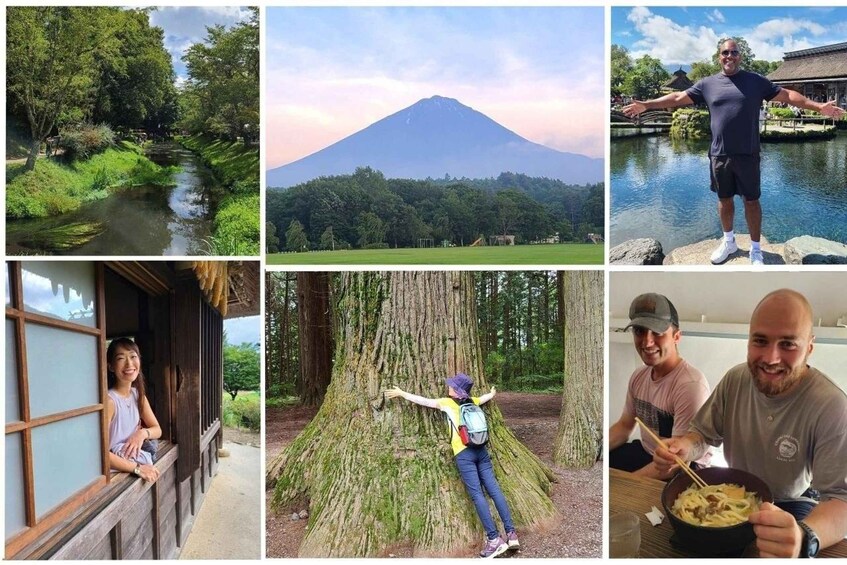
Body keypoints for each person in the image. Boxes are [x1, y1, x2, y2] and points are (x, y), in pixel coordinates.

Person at [654, 289, 847, 558]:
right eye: (760, 341)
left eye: (788, 344)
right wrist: (684, 447)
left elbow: (841, 499)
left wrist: (804, 537)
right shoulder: (735, 380)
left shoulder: (832, 405)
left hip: (790, 504)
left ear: (809, 348)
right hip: (732, 497)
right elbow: (702, 434)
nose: (771, 359)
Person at [623, 38, 847, 266]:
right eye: (725, 53)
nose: (729, 56)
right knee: (724, 199)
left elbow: (788, 95)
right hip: (719, 154)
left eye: (733, 52)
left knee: (751, 201)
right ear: (719, 56)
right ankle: (729, 241)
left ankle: (756, 249)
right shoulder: (707, 84)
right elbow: (678, 98)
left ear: (740, 56)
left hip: (747, 153)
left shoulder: (755, 81)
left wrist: (818, 106)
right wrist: (647, 104)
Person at [385, 374, 518, 558]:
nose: (448, 387)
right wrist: (492, 393)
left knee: (477, 495)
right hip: (481, 450)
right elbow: (486, 398)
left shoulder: (447, 403)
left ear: (456, 391)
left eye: (452, 386)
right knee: (494, 490)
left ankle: (494, 540)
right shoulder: (474, 401)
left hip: (464, 454)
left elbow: (423, 401)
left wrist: (401, 393)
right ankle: (511, 534)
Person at [609, 293, 710, 479]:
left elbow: (678, 460)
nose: (647, 342)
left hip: (685, 467)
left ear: (677, 336)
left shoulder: (690, 385)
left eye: (657, 332)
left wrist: (627, 484)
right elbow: (624, 426)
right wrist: (594, 449)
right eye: (639, 331)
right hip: (648, 452)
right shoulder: (638, 376)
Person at [106, 338, 162, 483]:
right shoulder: (110, 401)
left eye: (133, 356)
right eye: (121, 358)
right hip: (119, 466)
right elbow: (100, 453)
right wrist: (137, 468)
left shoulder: (138, 395)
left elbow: (157, 429)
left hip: (133, 458)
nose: (129, 364)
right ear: (110, 366)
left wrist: (141, 433)